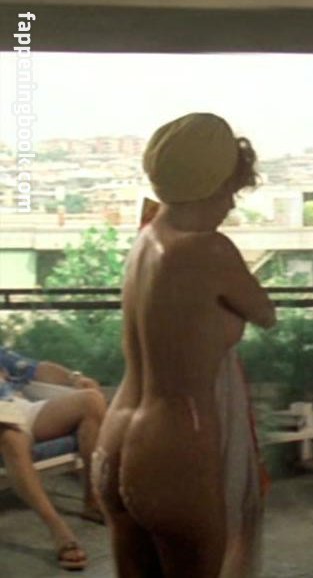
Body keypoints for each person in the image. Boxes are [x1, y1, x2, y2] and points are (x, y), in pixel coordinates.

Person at [91, 113, 276, 577]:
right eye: (231, 190)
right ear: (215, 184)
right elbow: (265, 313)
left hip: (115, 436)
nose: (230, 204)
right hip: (175, 447)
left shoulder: (145, 240)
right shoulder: (208, 250)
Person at [0, 346, 106, 571]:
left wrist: (74, 378)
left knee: (92, 400)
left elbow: (35, 368)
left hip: (18, 407)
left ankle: (93, 500)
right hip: (4, 423)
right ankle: (58, 529)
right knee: (10, 435)